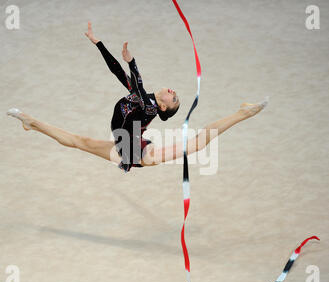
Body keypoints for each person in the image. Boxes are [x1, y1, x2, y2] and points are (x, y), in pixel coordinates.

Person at [7, 22, 268, 172]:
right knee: (77, 141)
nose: (173, 92)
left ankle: (244, 112)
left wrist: (133, 62)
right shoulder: (141, 97)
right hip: (125, 144)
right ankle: (31, 122)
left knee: (197, 144)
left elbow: (141, 93)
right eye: (175, 94)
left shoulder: (150, 108)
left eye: (174, 99)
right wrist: (98, 43)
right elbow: (115, 70)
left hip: (137, 153)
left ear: (164, 107)